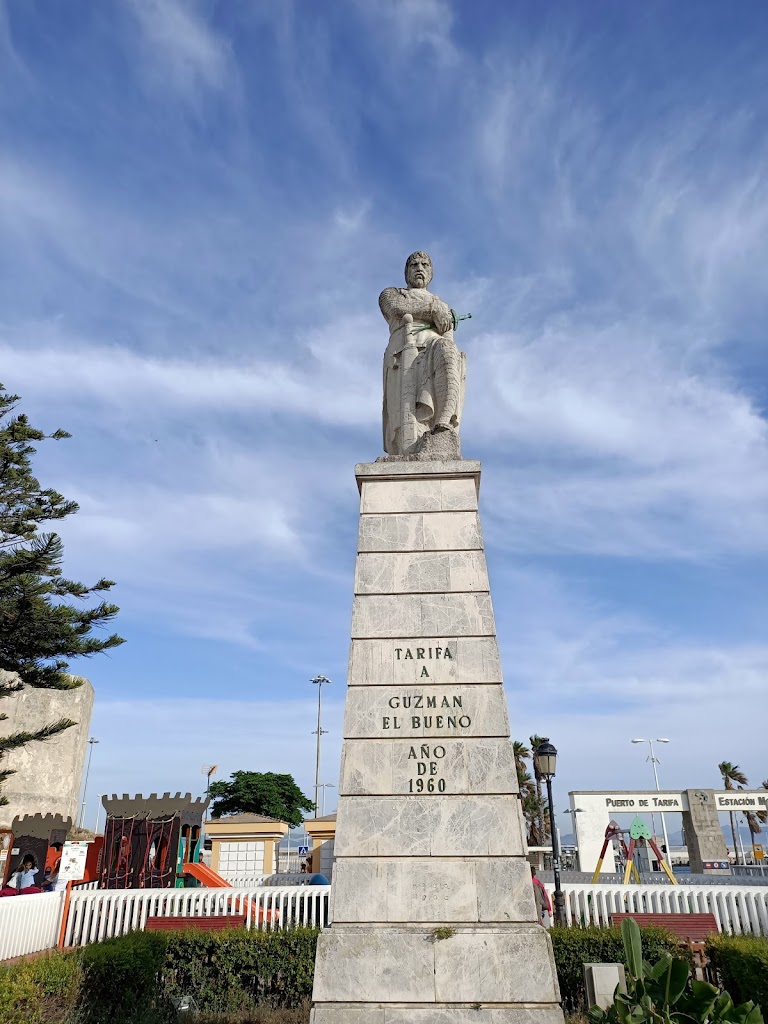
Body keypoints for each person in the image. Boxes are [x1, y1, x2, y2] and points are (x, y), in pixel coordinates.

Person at [379, 251, 466, 456]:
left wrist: (441, 313)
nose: (419, 268)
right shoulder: (392, 294)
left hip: (434, 350)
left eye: (425, 265)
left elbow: (448, 336)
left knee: (448, 351)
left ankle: (443, 424)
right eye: (414, 265)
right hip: (402, 355)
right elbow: (396, 307)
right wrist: (433, 309)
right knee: (407, 423)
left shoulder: (443, 307)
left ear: (431, 273)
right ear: (406, 273)